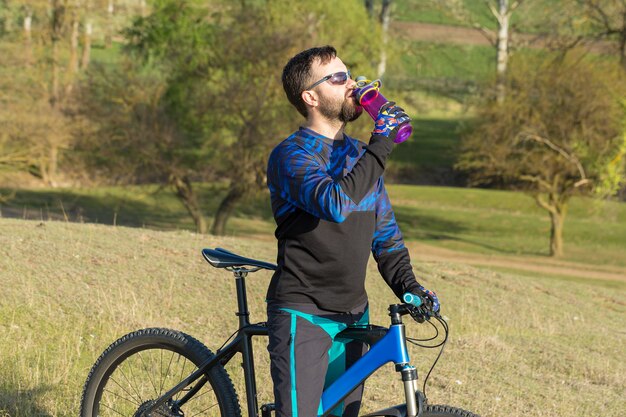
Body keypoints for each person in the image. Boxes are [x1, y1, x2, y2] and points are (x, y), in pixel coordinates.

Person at [266, 45, 440, 417]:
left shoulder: (361, 156)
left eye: (351, 75)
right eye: (339, 78)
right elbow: (334, 203)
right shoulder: (291, 155)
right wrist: (381, 146)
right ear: (310, 96)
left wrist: (410, 288)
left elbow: (386, 237)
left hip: (353, 315)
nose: (352, 85)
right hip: (303, 314)